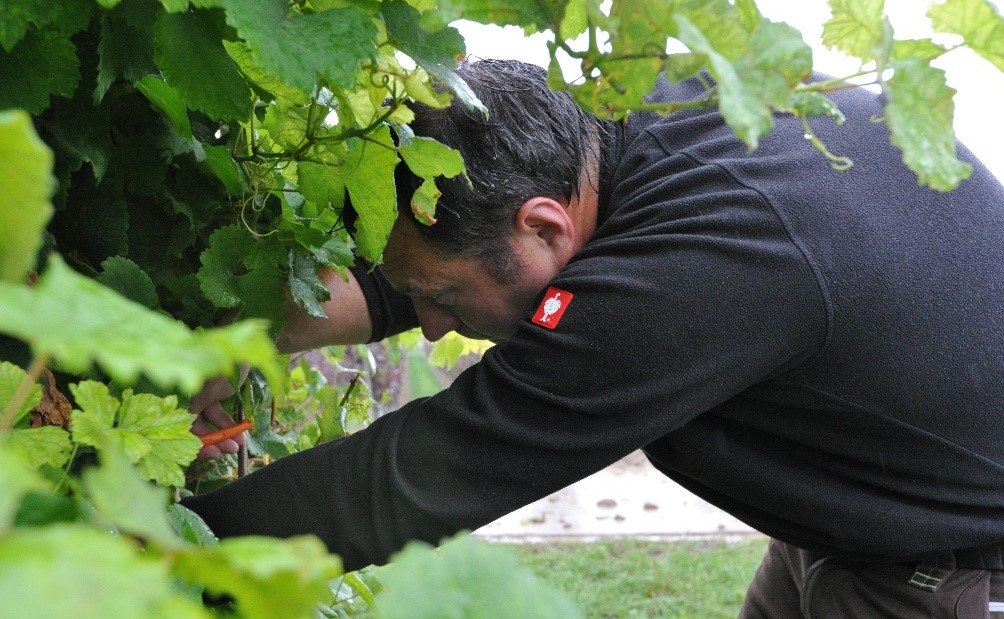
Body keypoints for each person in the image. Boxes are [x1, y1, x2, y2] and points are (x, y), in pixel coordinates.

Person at [182, 59, 1004, 617]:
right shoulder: (616, 129)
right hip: (861, 512)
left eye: (439, 302)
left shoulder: (691, 271)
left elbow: (419, 474)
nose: (430, 326)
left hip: (950, 569)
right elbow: (453, 253)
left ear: (544, 225)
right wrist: (227, 341)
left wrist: (159, 558)